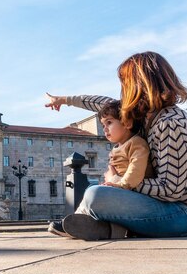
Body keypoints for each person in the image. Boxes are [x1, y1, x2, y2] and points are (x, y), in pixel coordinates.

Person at [45, 51, 187, 240]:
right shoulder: (147, 116)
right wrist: (65, 100)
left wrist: (118, 181)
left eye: (125, 84)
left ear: (138, 85)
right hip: (171, 207)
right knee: (96, 194)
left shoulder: (171, 123)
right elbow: (104, 104)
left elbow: (171, 190)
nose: (122, 91)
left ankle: (94, 223)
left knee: (96, 195)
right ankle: (112, 229)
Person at [47, 99, 153, 237]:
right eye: (103, 125)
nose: (105, 128)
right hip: (124, 193)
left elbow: (136, 169)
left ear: (127, 123)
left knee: (93, 191)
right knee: (93, 194)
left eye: (109, 122)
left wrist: (119, 184)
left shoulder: (136, 143)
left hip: (135, 195)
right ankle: (79, 223)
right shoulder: (117, 147)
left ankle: (76, 223)